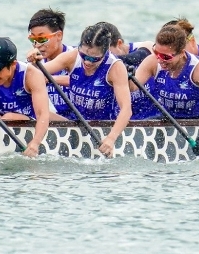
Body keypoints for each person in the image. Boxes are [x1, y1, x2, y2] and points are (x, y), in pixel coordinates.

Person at [36, 23, 132, 157]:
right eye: (84, 55)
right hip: (74, 122)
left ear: (105, 52)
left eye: (94, 59)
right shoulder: (72, 57)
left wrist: (111, 139)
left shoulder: (115, 67)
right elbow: (34, 74)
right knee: (39, 113)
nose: (87, 62)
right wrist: (33, 61)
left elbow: (126, 109)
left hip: (104, 126)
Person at [133, 23, 199, 149]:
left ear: (182, 53)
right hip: (169, 118)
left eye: (166, 57)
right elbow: (132, 87)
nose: (160, 60)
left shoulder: (198, 67)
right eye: (156, 53)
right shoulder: (152, 61)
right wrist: (125, 75)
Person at [27, 9, 71, 110]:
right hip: (53, 117)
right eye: (33, 39)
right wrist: (32, 68)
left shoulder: (77, 56)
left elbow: (87, 81)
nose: (37, 45)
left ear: (59, 36)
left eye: (42, 39)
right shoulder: (34, 63)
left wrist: (50, 79)